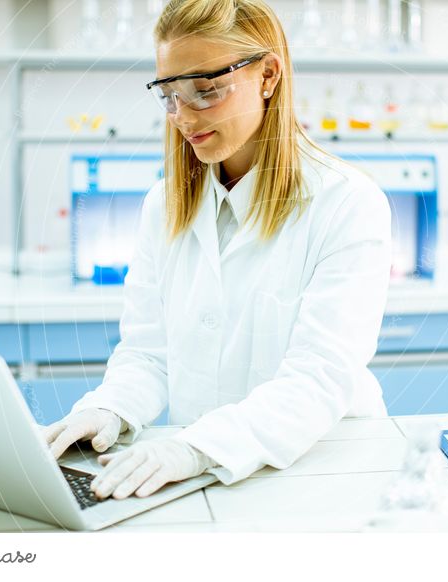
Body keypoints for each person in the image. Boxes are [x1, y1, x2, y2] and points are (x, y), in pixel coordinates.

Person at [42, 0, 391, 501]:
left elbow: (319, 378)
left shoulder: (348, 203)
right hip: (208, 479)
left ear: (268, 75)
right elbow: (148, 354)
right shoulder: (163, 205)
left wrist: (192, 450)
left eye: (204, 91)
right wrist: (108, 409)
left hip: (321, 474)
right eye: (169, 94)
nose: (182, 116)